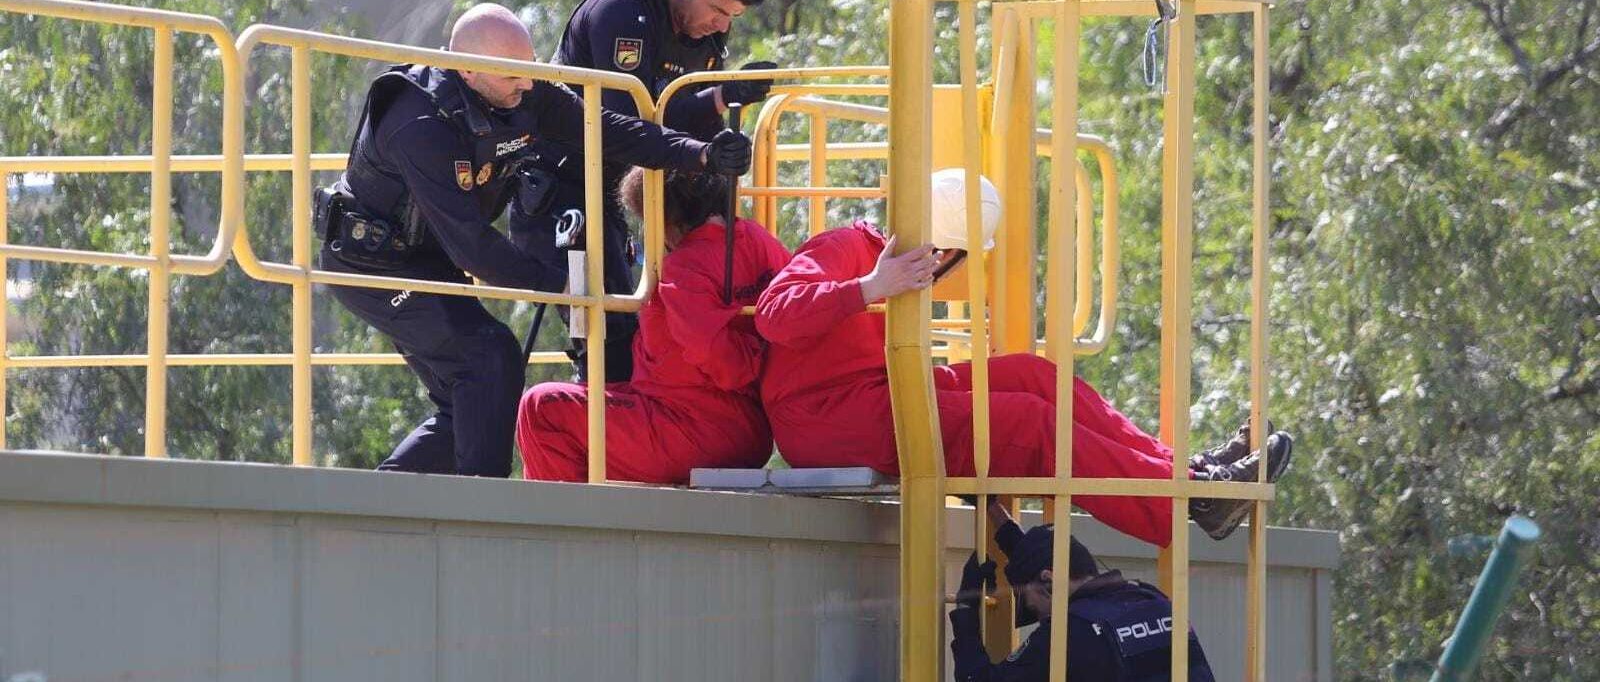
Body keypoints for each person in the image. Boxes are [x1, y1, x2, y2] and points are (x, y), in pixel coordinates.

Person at [316, 3, 752, 477]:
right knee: (488, 357)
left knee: (473, 399)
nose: (526, 84)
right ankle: (484, 508)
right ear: (467, 69)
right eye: (511, 76)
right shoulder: (418, 122)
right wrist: (559, 285)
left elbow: (605, 129)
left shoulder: (522, 89)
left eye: (530, 69)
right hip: (372, 264)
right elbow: (472, 247)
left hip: (428, 255)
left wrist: (700, 154)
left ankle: (384, 499)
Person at [754, 169, 1293, 546]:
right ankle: (1189, 503)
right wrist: (871, 286)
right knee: (1028, 421)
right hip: (825, 418)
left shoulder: (895, 264)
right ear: (947, 253)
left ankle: (1187, 473)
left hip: (872, 395)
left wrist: (880, 284)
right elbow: (773, 315)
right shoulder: (846, 248)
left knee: (1032, 375)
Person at [510, 0, 774, 382]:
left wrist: (723, 120)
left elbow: (675, 128)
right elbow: (626, 129)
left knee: (649, 339)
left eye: (733, 16)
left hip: (617, 197)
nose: (722, 25)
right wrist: (715, 101)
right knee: (609, 343)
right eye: (717, 10)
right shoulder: (622, 11)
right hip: (562, 194)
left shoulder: (704, 36)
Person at [516, 166, 790, 482]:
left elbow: (722, 359)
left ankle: (566, 515)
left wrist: (751, 354)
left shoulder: (685, 269)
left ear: (664, 216)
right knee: (588, 397)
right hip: (750, 428)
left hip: (691, 429)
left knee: (542, 408)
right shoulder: (761, 241)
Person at [949, 500, 1218, 681]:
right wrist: (993, 507)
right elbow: (1049, 559)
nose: (1040, 618)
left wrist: (966, 609)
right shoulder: (1152, 599)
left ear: (1048, 583)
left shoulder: (1072, 633)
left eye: (1032, 606)